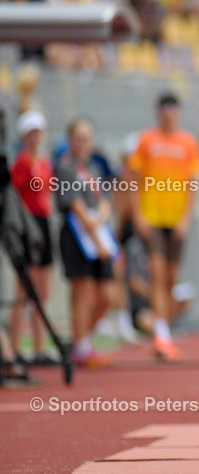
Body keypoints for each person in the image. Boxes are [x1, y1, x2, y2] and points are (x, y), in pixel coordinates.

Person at [126, 93, 199, 361]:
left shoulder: (188, 143)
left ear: (179, 113)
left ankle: (163, 329)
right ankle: (162, 336)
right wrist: (138, 214)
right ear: (158, 112)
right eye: (164, 109)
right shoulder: (147, 140)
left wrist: (186, 218)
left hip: (176, 218)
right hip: (152, 217)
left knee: (171, 278)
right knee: (157, 275)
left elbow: (193, 183)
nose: (169, 114)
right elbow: (134, 179)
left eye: (173, 109)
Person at [54, 119, 118, 368]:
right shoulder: (66, 167)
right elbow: (76, 206)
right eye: (78, 138)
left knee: (107, 295)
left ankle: (81, 340)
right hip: (77, 235)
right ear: (70, 141)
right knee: (82, 290)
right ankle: (81, 347)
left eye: (87, 137)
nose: (83, 143)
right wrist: (95, 236)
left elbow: (105, 200)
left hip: (99, 233)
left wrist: (101, 218)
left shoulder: (94, 166)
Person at [9, 111, 57, 366]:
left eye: (39, 132)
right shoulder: (22, 163)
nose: (36, 137)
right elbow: (15, 197)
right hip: (29, 226)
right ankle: (15, 348)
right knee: (23, 291)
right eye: (31, 132)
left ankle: (40, 348)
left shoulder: (44, 162)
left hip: (44, 224)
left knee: (42, 291)